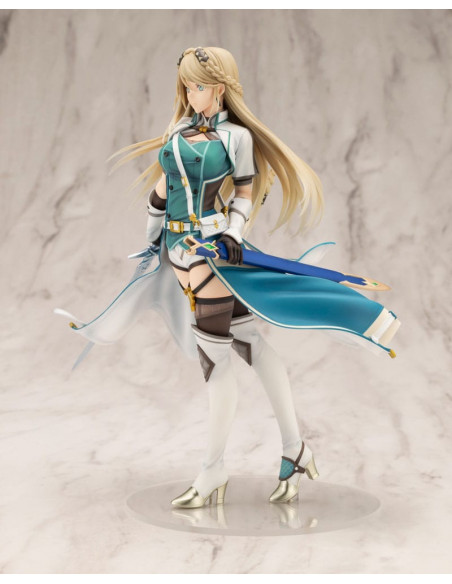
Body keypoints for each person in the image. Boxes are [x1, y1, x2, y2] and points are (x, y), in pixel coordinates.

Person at [60, 46, 400, 509]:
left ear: (218, 88)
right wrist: (151, 241)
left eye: (197, 85)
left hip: (210, 251)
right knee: (250, 342)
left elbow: (243, 192)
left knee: (216, 360)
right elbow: (162, 190)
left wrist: (235, 231)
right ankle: (296, 450)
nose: (189, 93)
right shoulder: (177, 131)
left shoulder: (237, 138)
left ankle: (213, 469)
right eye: (185, 85)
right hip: (176, 251)